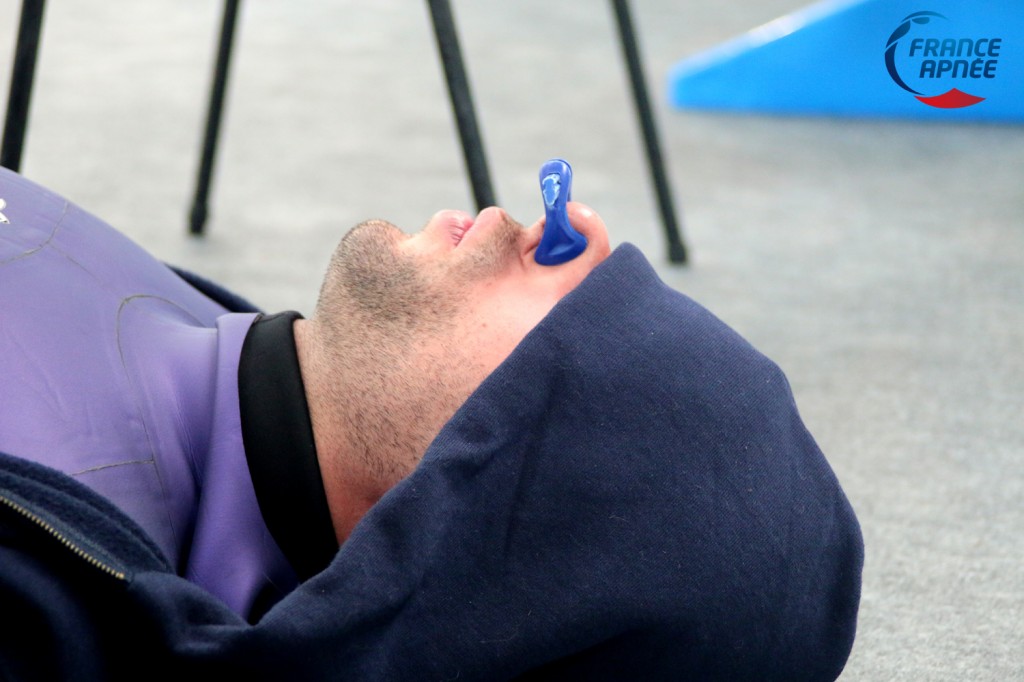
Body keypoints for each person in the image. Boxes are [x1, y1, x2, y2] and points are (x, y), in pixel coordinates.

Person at [0, 166, 863, 680]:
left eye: (588, 317)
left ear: (486, 524)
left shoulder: (46, 593)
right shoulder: (206, 347)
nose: (578, 230)